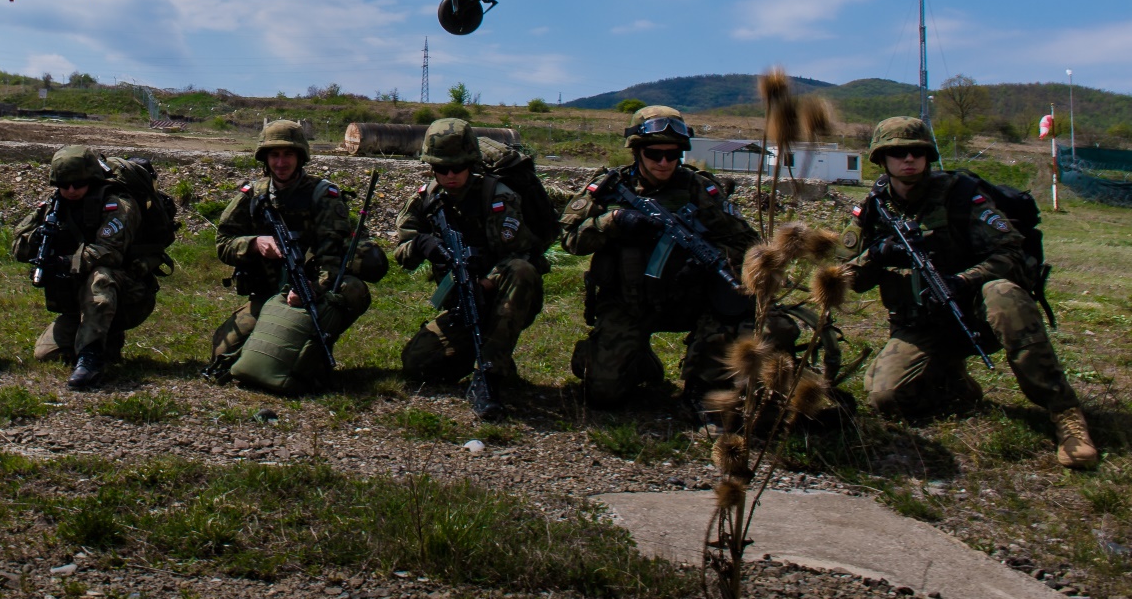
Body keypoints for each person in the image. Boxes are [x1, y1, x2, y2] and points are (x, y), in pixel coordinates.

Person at [846, 116, 1097, 469]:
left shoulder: (961, 195)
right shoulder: (873, 209)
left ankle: (1065, 413)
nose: (909, 159)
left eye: (917, 152)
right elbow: (844, 277)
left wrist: (962, 281)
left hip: (977, 312)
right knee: (886, 399)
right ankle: (952, 381)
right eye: (898, 152)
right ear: (881, 159)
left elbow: (1010, 253)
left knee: (1004, 294)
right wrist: (877, 254)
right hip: (922, 322)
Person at [560, 105, 771, 408]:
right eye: (654, 154)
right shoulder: (610, 187)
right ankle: (635, 358)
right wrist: (612, 222)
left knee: (732, 306)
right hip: (626, 301)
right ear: (637, 151)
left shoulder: (699, 189)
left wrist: (708, 260)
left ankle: (703, 381)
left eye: (672, 155)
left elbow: (749, 242)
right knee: (603, 394)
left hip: (688, 298)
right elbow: (569, 239)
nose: (664, 162)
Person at [204, 120, 387, 389]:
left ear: (300, 157)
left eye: (288, 154)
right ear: (265, 159)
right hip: (267, 293)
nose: (281, 162)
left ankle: (314, 350)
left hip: (313, 291)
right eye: (274, 155)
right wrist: (255, 243)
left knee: (348, 292)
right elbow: (223, 242)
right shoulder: (253, 194)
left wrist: (313, 289)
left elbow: (333, 257)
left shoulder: (323, 195)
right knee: (224, 354)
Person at [396, 118, 546, 394]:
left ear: (472, 163)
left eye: (458, 167)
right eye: (442, 168)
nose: (450, 175)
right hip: (461, 302)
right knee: (417, 364)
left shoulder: (497, 197)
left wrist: (487, 282)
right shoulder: (424, 200)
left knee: (521, 270)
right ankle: (487, 353)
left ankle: (491, 372)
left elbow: (522, 256)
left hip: (507, 298)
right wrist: (421, 244)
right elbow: (402, 254)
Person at [10, 146, 162, 390]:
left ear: (91, 179)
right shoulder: (55, 206)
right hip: (77, 299)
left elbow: (109, 253)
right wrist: (38, 239)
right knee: (47, 354)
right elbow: (18, 245)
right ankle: (105, 338)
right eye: (64, 184)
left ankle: (90, 358)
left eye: (77, 184)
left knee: (100, 276)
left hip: (127, 293)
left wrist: (64, 262)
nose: (70, 190)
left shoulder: (118, 204)